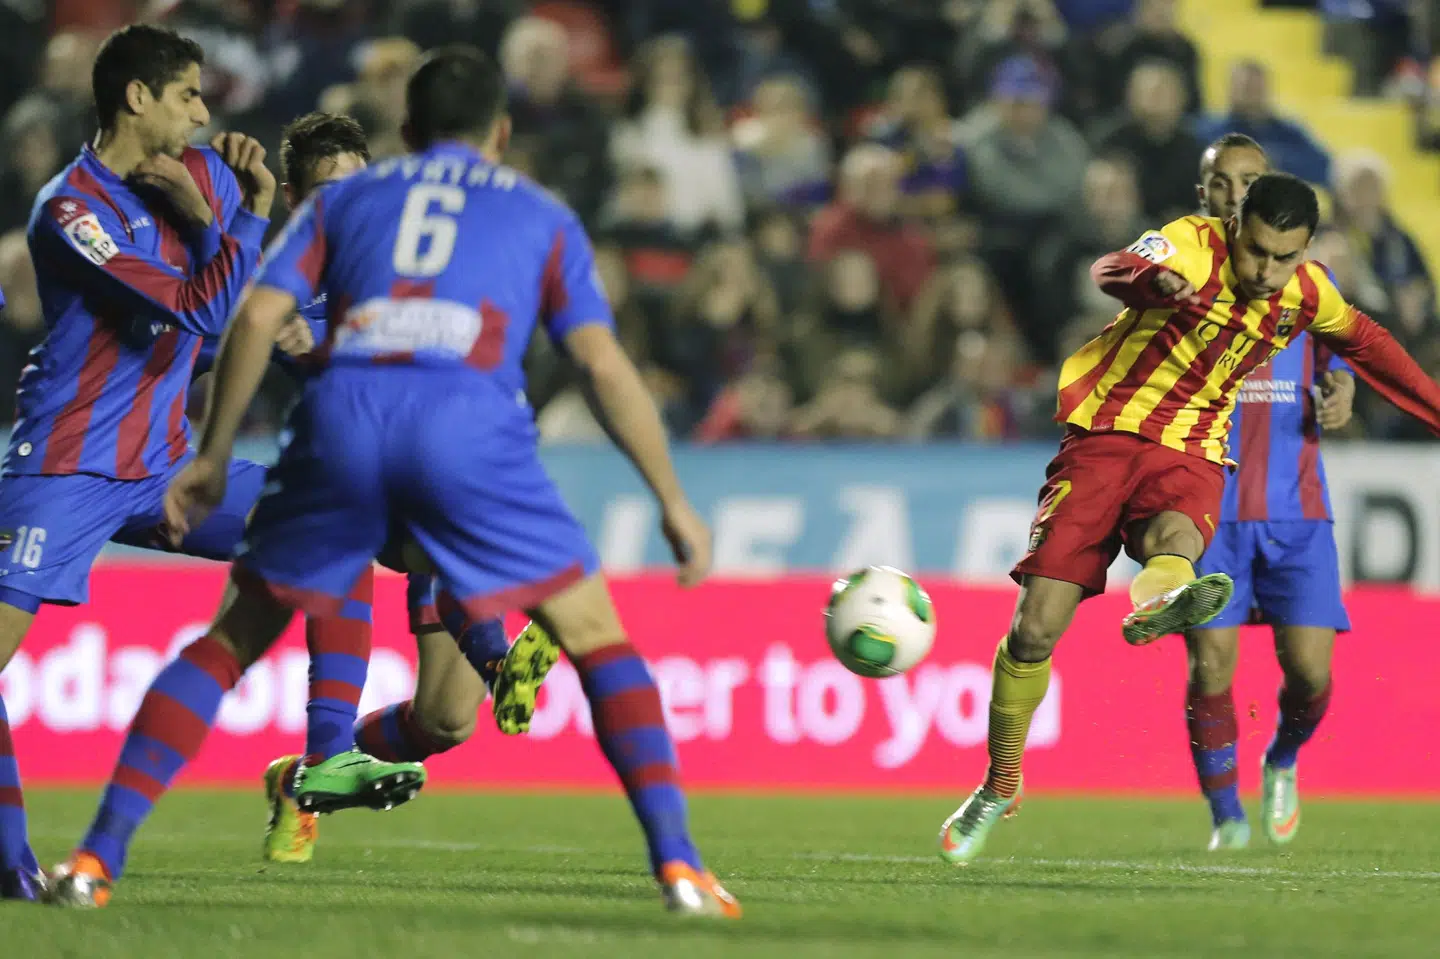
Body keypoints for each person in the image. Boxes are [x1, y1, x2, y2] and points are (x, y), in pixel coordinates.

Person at [46, 45, 740, 919]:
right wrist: (672, 498)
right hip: (465, 442)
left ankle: (94, 859)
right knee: (599, 636)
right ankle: (678, 865)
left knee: (240, 645)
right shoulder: (538, 212)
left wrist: (213, 452)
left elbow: (254, 311)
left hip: (347, 434)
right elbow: (600, 362)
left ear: (406, 134)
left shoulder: (350, 208)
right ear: (502, 130)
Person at [0, 25, 422, 903]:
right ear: (136, 99)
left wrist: (224, 209)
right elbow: (205, 306)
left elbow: (237, 290)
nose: (204, 109)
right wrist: (248, 207)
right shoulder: (72, 207)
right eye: (189, 94)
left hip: (164, 463)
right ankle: (10, 863)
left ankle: (327, 753)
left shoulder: (185, 182)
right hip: (67, 468)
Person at [937, 171, 1440, 864]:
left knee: (1175, 535)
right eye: (1257, 251)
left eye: (1284, 257)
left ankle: (1169, 590)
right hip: (1106, 436)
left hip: (1194, 446)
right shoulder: (1190, 245)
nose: (1267, 271)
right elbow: (1111, 268)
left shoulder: (1308, 291)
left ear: (1306, 251)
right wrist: (1152, 285)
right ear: (1237, 227)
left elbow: (1372, 346)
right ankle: (1001, 781)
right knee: (1033, 629)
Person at [253, 111, 561, 866]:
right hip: (365, 486)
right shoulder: (288, 287)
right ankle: (500, 660)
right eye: (329, 189)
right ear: (296, 198)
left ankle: (303, 780)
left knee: (446, 721)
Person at [1184, 134, 1355, 851]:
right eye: (1222, 184)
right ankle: (1226, 814)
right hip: (1207, 511)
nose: (1235, 195)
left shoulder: (1310, 288)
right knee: (1212, 666)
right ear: (1207, 195)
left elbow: (1343, 363)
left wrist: (1343, 393)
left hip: (1296, 511)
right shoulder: (1184, 280)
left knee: (1311, 674)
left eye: (1248, 183)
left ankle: (1281, 757)